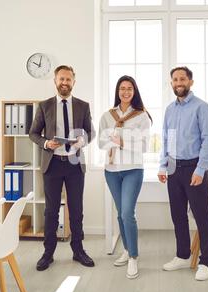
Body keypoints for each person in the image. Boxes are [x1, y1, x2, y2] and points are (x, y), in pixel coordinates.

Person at [29, 65, 96, 271]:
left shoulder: (83, 106)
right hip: (53, 164)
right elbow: (33, 134)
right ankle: (48, 253)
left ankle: (78, 250)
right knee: (51, 211)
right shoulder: (44, 106)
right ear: (55, 81)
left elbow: (90, 133)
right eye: (61, 79)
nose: (64, 83)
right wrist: (46, 144)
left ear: (73, 82)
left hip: (75, 164)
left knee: (76, 210)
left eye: (68, 79)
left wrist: (81, 141)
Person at [158, 66, 208, 281]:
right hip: (173, 168)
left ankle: (206, 261)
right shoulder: (170, 110)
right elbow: (166, 140)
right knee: (178, 215)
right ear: (171, 83)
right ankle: (182, 255)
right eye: (175, 79)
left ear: (190, 82)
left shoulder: (202, 108)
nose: (178, 82)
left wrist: (201, 169)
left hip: (194, 168)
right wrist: (163, 166)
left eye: (182, 78)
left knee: (202, 216)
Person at [99, 75, 151, 279]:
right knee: (120, 213)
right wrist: (129, 138)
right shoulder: (107, 116)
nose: (126, 92)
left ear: (134, 91)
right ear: (117, 91)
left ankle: (133, 257)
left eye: (130, 88)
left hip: (133, 169)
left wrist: (119, 140)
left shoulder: (141, 116)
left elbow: (144, 145)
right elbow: (101, 143)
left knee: (128, 212)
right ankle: (127, 250)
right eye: (122, 88)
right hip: (111, 170)